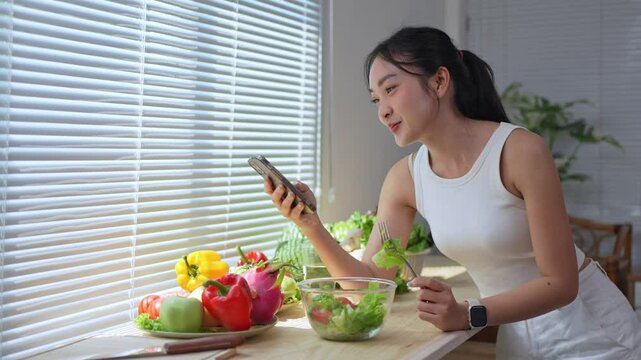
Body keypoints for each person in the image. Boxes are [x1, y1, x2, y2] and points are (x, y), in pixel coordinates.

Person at [264, 26, 641, 359]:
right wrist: (310, 224)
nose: (383, 110)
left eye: (391, 88)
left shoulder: (519, 151)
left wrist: (467, 313)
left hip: (593, 335)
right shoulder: (405, 178)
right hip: (518, 339)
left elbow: (561, 285)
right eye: (376, 99)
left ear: (440, 81)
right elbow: (368, 284)